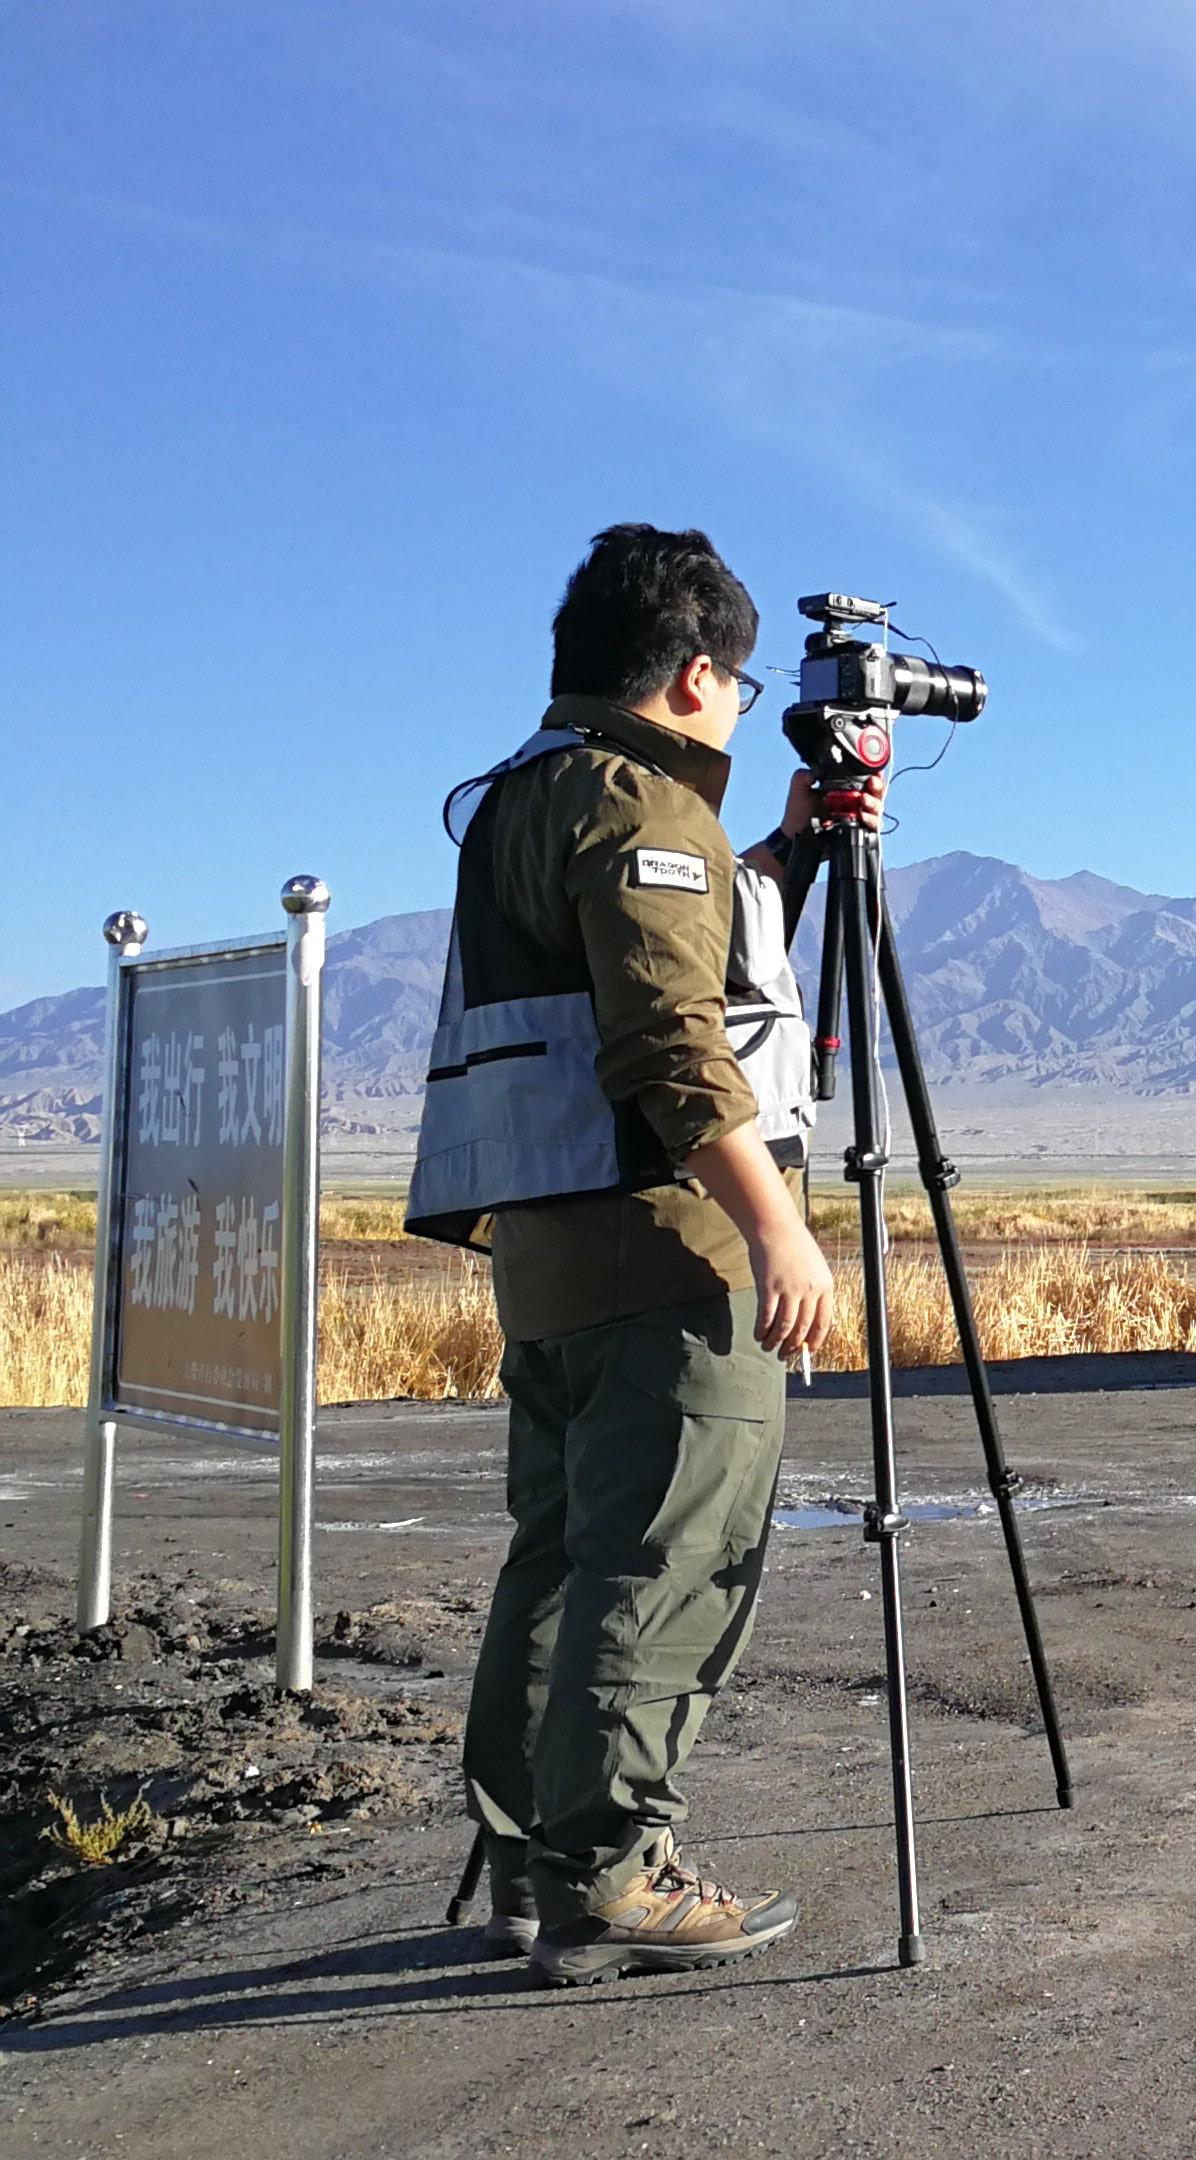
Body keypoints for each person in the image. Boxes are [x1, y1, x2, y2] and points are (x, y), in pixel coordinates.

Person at [404, 524, 869, 1986]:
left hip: (548, 1256)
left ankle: (530, 1859)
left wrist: (783, 850)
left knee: (560, 1561)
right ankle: (610, 1874)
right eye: (734, 687)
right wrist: (778, 1226)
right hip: (664, 1260)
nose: (741, 710)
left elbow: (666, 960)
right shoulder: (643, 807)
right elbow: (669, 1040)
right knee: (667, 1562)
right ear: (689, 675)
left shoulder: (524, 797)